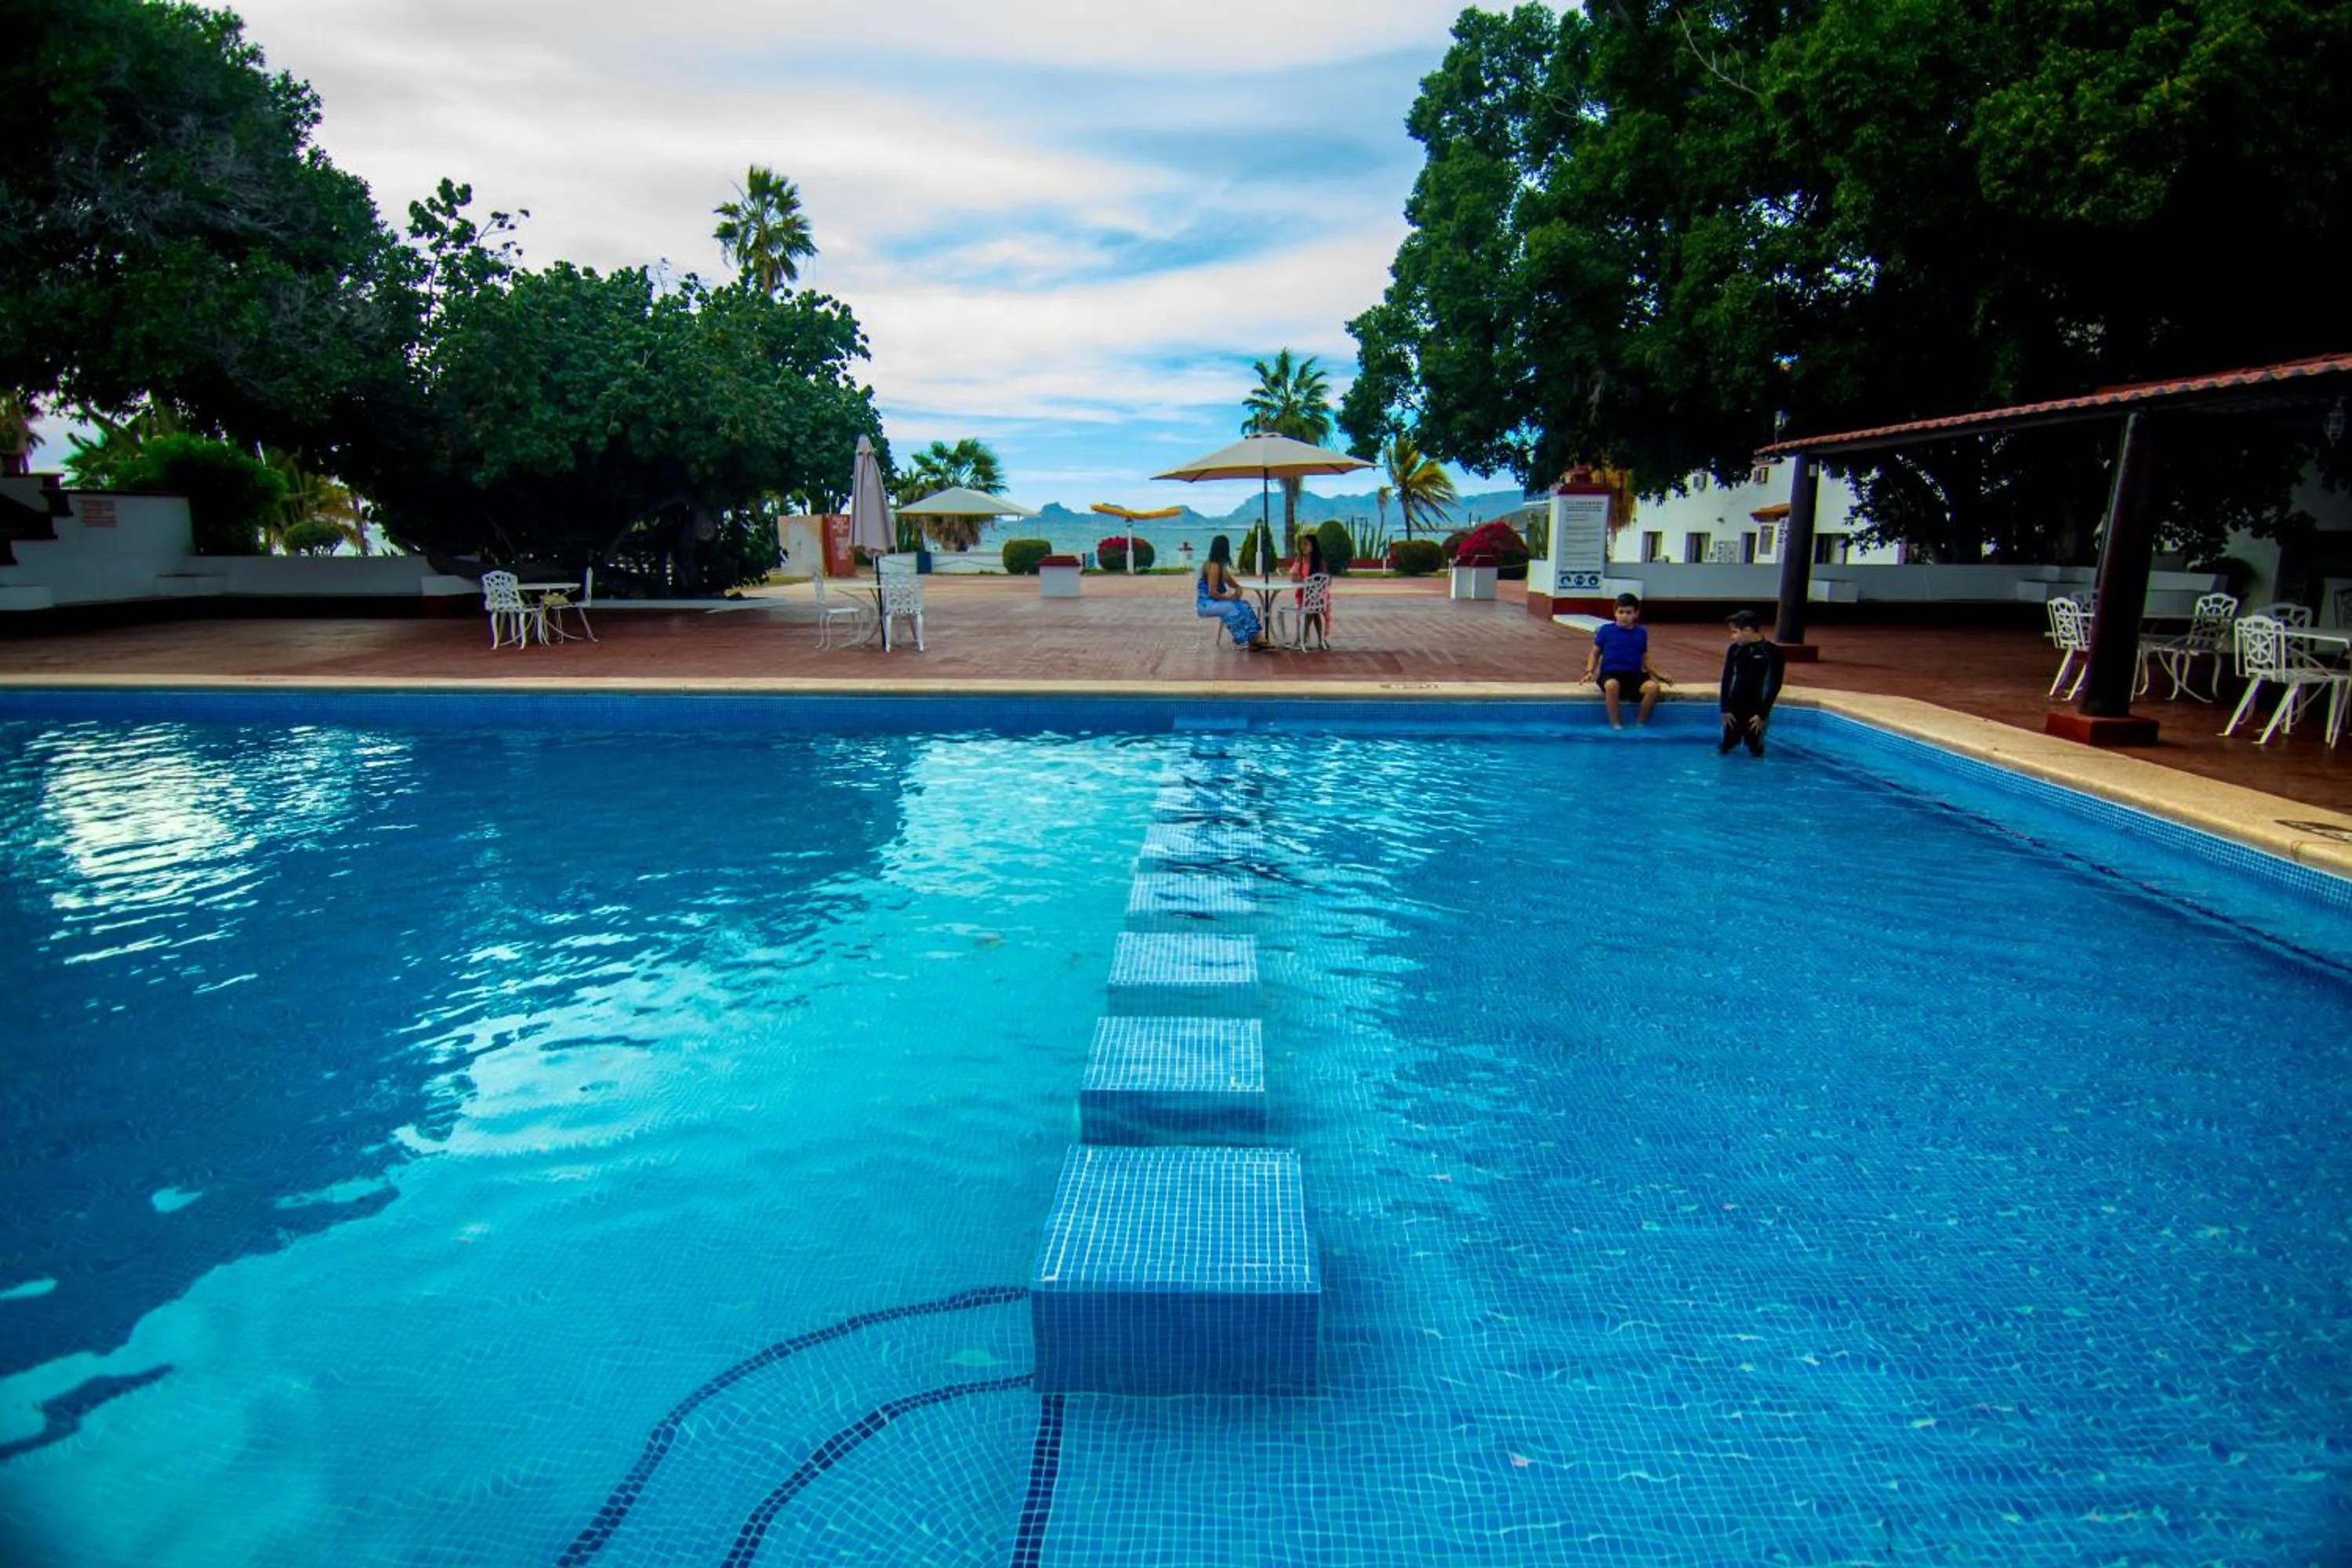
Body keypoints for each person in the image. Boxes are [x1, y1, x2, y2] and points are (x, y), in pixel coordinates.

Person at [1582, 593, 1669, 727]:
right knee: (1612, 686)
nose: (1624, 616)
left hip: (1634, 675)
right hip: (1611, 674)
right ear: (1615, 613)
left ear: (1636, 614)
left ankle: (1640, 723)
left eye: (1628, 613)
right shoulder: (1606, 631)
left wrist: (1657, 673)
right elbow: (1595, 653)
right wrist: (1589, 671)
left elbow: (1644, 657)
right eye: (1621, 612)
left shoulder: (1641, 633)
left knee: (1652, 688)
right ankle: (1616, 724)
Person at [1718, 609, 1785, 756]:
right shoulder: (1735, 650)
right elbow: (1727, 678)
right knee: (1726, 747)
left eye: (1735, 632)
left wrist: (1762, 714)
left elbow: (1775, 685)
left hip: (1756, 712)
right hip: (1734, 710)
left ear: (1748, 630)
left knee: (1755, 749)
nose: (1732, 636)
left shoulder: (1773, 652)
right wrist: (1725, 708)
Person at [1197, 534, 1271, 651]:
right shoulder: (1213, 566)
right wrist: (1230, 598)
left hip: (1215, 601)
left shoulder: (1220, 566)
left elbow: (1231, 582)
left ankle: (1254, 637)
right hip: (1207, 604)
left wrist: (1238, 589)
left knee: (1244, 605)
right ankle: (1247, 638)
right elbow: (1212, 593)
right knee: (1232, 607)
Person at [1289, 533, 1333, 646]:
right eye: (1301, 544)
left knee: (1312, 610)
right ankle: (1320, 640)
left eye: (1306, 544)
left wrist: (1311, 584)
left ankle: (1301, 638)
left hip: (1317, 597)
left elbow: (1327, 580)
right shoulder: (1300, 562)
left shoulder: (1320, 563)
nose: (1303, 547)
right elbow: (1293, 577)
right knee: (1314, 612)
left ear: (1313, 546)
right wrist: (1297, 563)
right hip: (1302, 596)